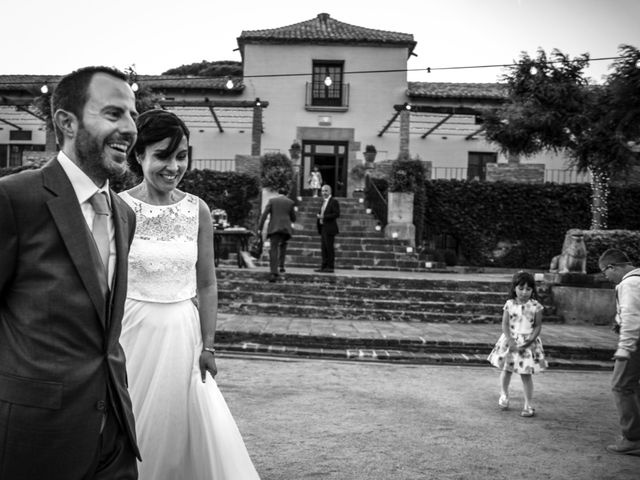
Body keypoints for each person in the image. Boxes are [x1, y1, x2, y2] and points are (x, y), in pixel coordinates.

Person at [0, 66, 140, 479]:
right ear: (66, 122)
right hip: (36, 438)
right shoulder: (14, 199)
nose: (130, 128)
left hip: (114, 438)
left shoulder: (125, 214)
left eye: (132, 115)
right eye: (114, 114)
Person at [119, 109, 260, 479]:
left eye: (181, 156)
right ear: (139, 154)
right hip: (131, 332)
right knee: (132, 426)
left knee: (184, 426)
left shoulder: (197, 210)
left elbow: (208, 282)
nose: (174, 166)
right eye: (163, 156)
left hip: (184, 332)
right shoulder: (118, 207)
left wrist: (209, 345)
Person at [487, 271, 548, 417]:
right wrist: (510, 340)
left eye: (528, 289)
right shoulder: (509, 304)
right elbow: (505, 324)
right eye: (521, 288)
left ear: (533, 290)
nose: (524, 292)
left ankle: (528, 405)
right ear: (514, 288)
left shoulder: (536, 306)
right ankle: (504, 395)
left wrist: (530, 340)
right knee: (506, 370)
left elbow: (538, 326)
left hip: (528, 343)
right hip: (510, 341)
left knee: (526, 375)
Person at [598, 248, 640, 456]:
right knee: (633, 386)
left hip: (635, 342)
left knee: (621, 385)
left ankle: (632, 438)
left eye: (605, 272)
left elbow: (632, 317)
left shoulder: (628, 284)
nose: (606, 277)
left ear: (612, 267)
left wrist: (624, 347)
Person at [258, 186, 296, 282]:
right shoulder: (290, 202)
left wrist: (260, 228)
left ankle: (273, 272)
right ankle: (281, 266)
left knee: (274, 249)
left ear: (278, 193)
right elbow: (293, 218)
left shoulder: (272, 201)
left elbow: (264, 215)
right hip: (286, 228)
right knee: (283, 245)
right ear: (286, 194)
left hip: (274, 227)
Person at [315, 184, 340, 273]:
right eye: (322, 191)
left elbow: (336, 214)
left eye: (326, 191)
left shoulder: (334, 201)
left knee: (329, 248)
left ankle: (330, 267)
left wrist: (323, 217)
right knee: (324, 248)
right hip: (323, 228)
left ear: (330, 192)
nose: (324, 193)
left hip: (329, 228)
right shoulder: (323, 202)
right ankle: (323, 266)